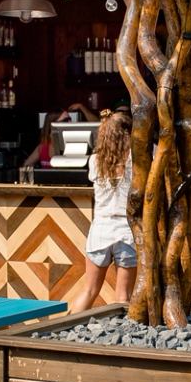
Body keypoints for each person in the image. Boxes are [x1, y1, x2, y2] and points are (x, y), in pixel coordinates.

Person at [67, 110, 135, 313]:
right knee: (123, 297)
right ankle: (122, 340)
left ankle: (65, 332)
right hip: (126, 232)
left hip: (100, 230)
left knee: (89, 290)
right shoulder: (137, 159)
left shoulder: (95, 161)